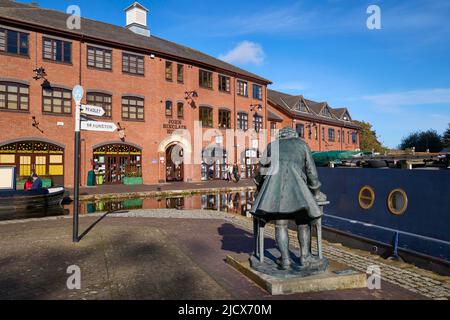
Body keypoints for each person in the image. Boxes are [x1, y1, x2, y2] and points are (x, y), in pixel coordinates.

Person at [250, 126, 327, 270]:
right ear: (294, 136)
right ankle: (305, 257)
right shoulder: (302, 145)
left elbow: (260, 171)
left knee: (281, 224)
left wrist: (260, 190)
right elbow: (311, 172)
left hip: (276, 192)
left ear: (281, 137)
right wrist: (316, 192)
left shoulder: (272, 146)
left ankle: (285, 260)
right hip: (298, 191)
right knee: (303, 223)